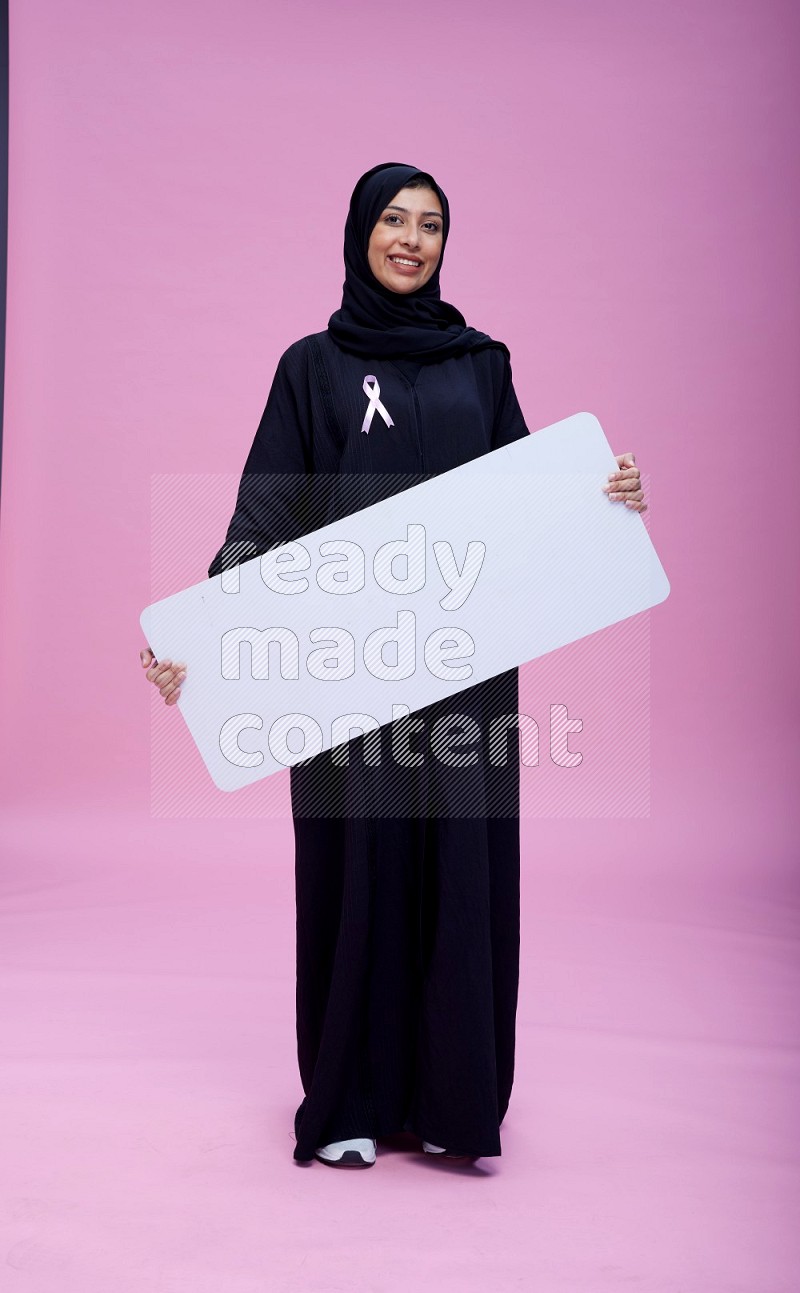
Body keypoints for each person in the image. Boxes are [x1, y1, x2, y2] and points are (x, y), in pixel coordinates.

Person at [140, 162, 647, 1170]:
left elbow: (529, 503)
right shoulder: (311, 368)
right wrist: (205, 635)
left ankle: (456, 1106)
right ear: (358, 234)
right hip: (341, 670)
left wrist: (605, 495)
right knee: (355, 871)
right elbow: (264, 517)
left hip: (464, 671)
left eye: (430, 225)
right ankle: (351, 1103)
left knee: (458, 871)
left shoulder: (482, 366)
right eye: (393, 221)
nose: (411, 240)